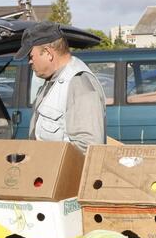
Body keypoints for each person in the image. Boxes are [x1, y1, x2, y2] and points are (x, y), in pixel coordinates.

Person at [15, 21, 106, 153]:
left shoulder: (78, 82)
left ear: (48, 53)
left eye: (31, 56)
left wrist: (49, 159)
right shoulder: (53, 80)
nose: (29, 61)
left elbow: (89, 146)